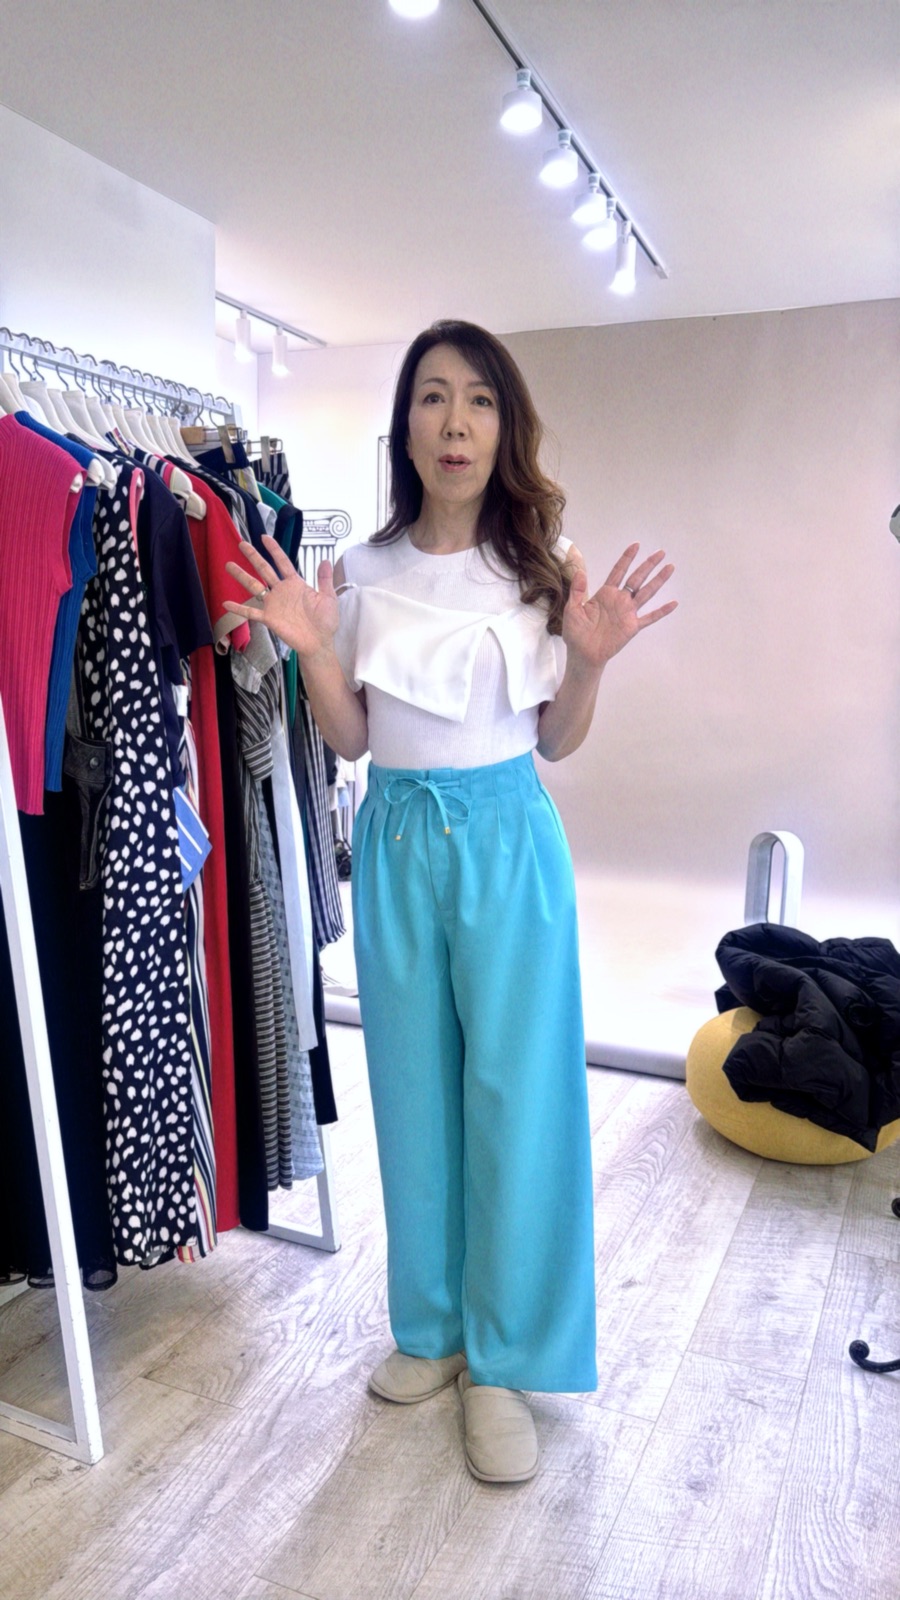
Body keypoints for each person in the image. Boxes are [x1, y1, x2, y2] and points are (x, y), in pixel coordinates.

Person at [224, 320, 677, 1485]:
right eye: (432, 396)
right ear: (407, 427)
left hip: (507, 834)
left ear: (504, 426)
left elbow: (557, 740)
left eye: (479, 398)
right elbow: (352, 736)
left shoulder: (541, 566)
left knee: (517, 1094)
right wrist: (313, 650)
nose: (456, 421)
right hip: (394, 835)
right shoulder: (365, 569)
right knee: (413, 1087)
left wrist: (590, 660)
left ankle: (507, 1359)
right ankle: (432, 1327)